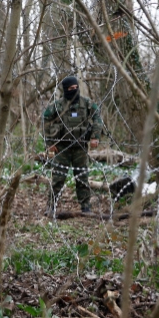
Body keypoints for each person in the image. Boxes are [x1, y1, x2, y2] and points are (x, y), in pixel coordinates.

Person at [42, 76, 102, 215]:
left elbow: (97, 117)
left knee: (82, 177)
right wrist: (49, 142)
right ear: (65, 90)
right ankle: (51, 206)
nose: (74, 90)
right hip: (62, 148)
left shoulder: (86, 103)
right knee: (58, 178)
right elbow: (45, 120)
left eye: (76, 88)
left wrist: (95, 136)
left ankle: (85, 207)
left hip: (80, 147)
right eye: (71, 88)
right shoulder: (57, 105)